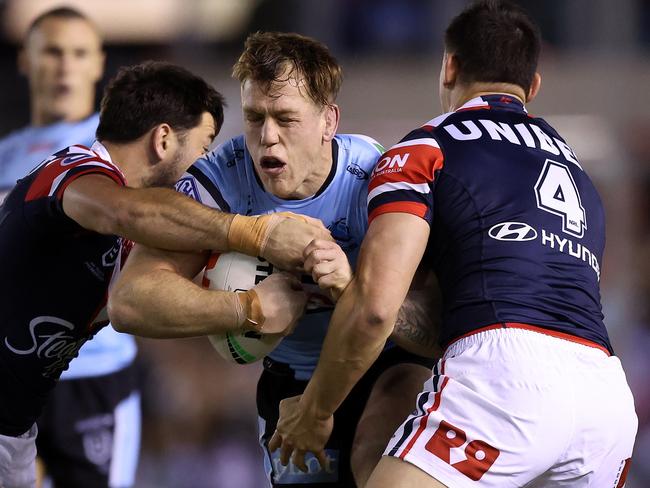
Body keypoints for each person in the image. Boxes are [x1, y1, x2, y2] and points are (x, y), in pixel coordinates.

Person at [270, 1, 639, 487]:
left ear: (449, 66)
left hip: (505, 384)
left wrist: (316, 410)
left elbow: (376, 311)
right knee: (394, 400)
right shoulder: (581, 175)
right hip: (606, 400)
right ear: (533, 87)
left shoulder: (424, 149)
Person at [109, 31, 435, 487]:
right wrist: (248, 308)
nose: (267, 138)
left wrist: (355, 290)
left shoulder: (380, 177)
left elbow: (436, 329)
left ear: (328, 121)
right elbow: (128, 302)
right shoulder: (220, 181)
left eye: (286, 118)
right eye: (254, 117)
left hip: (385, 367)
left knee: (373, 464)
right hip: (289, 384)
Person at [0, 59, 324, 488]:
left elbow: (152, 300)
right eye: (205, 147)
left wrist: (268, 299)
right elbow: (126, 211)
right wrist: (255, 234)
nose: (206, 165)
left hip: (15, 429)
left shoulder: (139, 242)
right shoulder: (72, 172)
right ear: (164, 139)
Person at [0, 8, 140, 487]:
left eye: (78, 53)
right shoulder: (6, 155)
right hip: (13, 368)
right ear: (26, 60)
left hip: (93, 376)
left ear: (98, 64)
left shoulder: (115, 150)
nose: (65, 66)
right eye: (53, 51)